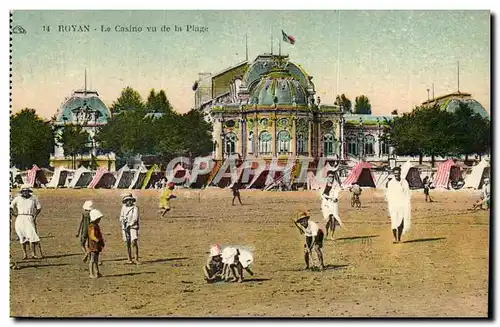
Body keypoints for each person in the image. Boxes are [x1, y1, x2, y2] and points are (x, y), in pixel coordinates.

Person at [10, 185, 43, 259]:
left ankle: (33, 254)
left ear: (29, 191)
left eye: (27, 191)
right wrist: (15, 214)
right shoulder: (17, 198)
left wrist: (35, 216)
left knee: (31, 236)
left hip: (29, 217)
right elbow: (11, 207)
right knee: (22, 237)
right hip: (20, 218)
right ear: (22, 192)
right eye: (24, 191)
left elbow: (39, 208)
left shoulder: (34, 198)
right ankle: (25, 254)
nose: (25, 192)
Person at [386, 167, 412, 243]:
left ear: (400, 173)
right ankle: (395, 238)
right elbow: (389, 195)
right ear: (394, 174)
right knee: (394, 222)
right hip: (394, 205)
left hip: (403, 205)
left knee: (401, 223)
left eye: (398, 173)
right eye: (395, 174)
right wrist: (390, 206)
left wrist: (407, 204)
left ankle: (399, 238)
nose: (397, 175)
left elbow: (407, 193)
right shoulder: (391, 183)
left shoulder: (404, 182)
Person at [120, 194, 140, 264]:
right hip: (125, 227)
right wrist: (123, 221)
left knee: (134, 242)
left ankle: (136, 259)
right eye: (127, 200)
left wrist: (129, 224)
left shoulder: (135, 208)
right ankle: (129, 258)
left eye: (130, 200)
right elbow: (121, 216)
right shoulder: (123, 207)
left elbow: (135, 218)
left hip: (133, 227)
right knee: (127, 243)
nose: (129, 202)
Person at [88, 209, 105, 278]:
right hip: (93, 245)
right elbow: (92, 236)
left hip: (96, 245)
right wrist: (98, 241)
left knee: (96, 260)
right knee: (92, 260)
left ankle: (97, 272)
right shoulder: (92, 226)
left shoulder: (95, 225)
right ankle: (91, 273)